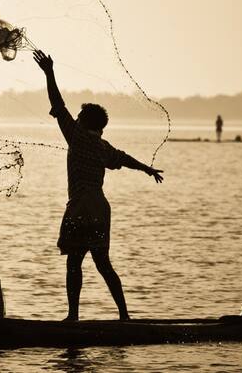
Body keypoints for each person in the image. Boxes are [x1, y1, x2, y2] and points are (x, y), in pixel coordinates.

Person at [33, 49, 164, 321]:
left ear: (83, 122)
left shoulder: (77, 136)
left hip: (80, 208)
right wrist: (147, 169)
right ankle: (125, 317)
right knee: (103, 264)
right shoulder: (103, 146)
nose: (76, 120)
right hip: (101, 210)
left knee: (73, 263)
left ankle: (73, 317)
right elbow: (124, 159)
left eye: (79, 119)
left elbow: (58, 106)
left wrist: (49, 73)